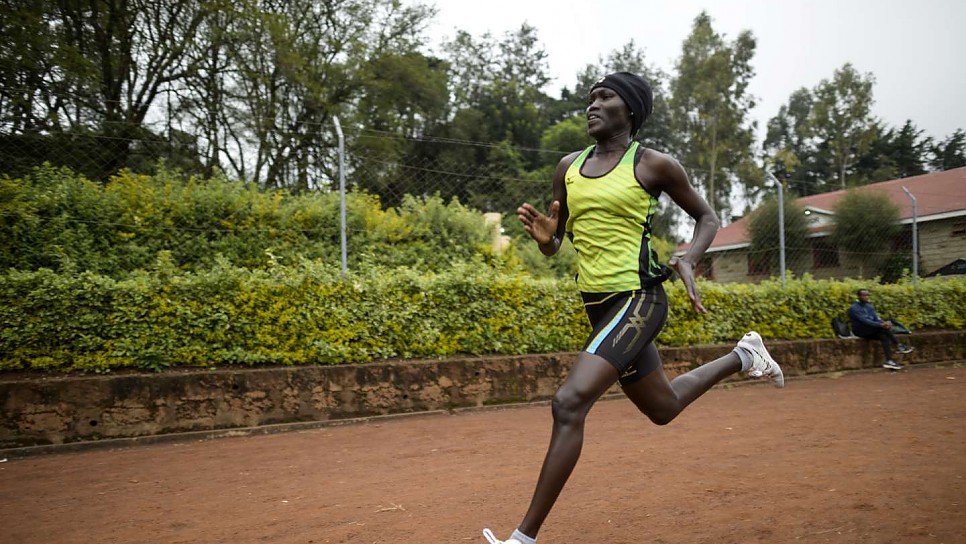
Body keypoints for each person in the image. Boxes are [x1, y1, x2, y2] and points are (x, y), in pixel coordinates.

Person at [481, 72, 784, 544]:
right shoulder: (567, 167)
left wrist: (688, 257)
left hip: (640, 300)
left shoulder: (653, 165)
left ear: (631, 110)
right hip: (598, 306)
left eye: (606, 97)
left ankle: (523, 539)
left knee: (568, 403)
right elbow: (558, 239)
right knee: (663, 408)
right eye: (590, 98)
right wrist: (547, 241)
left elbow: (706, 217)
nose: (593, 105)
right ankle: (744, 356)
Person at [847, 288, 914, 370]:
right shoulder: (854, 308)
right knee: (883, 329)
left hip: (871, 329)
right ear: (859, 296)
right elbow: (865, 321)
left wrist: (884, 323)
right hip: (860, 330)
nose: (866, 297)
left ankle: (889, 361)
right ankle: (897, 345)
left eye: (867, 295)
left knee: (884, 336)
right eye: (864, 295)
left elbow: (876, 318)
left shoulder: (869, 306)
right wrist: (881, 325)